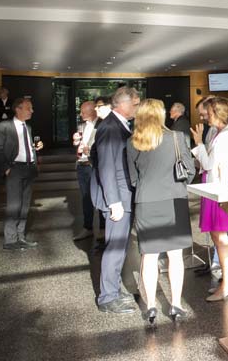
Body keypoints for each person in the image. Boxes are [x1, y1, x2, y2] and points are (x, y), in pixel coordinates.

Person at [127, 99, 195, 323]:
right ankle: (175, 305)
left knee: (149, 256)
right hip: (174, 200)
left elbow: (133, 179)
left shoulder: (132, 142)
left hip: (146, 202)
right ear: (161, 115)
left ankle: (150, 307)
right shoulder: (176, 137)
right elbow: (190, 170)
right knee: (175, 256)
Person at [90, 87, 140, 314]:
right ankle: (108, 297)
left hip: (121, 194)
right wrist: (114, 202)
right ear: (123, 104)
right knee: (115, 247)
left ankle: (113, 289)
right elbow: (107, 166)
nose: (137, 107)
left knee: (119, 247)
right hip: (117, 197)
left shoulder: (117, 124)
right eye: (135, 103)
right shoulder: (110, 127)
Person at [190, 96, 228, 301]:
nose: (205, 116)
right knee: (218, 238)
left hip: (219, 191)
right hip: (214, 189)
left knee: (220, 239)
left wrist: (199, 144)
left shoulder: (225, 136)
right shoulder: (221, 133)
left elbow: (210, 164)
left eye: (209, 113)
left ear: (217, 113)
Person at [0, 98, 44, 250]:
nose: (32, 111)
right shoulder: (3, 127)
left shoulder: (28, 127)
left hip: (29, 169)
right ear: (18, 109)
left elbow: (25, 147)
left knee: (24, 205)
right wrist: (6, 169)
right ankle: (10, 240)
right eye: (29, 108)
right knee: (14, 205)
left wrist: (36, 148)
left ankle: (20, 237)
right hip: (14, 169)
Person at [72, 100, 104, 241]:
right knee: (85, 198)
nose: (80, 114)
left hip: (94, 166)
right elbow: (79, 144)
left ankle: (103, 229)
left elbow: (103, 147)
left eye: (83, 111)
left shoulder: (102, 125)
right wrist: (75, 142)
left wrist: (89, 150)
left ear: (92, 111)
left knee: (100, 197)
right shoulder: (82, 125)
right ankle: (88, 227)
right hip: (81, 165)